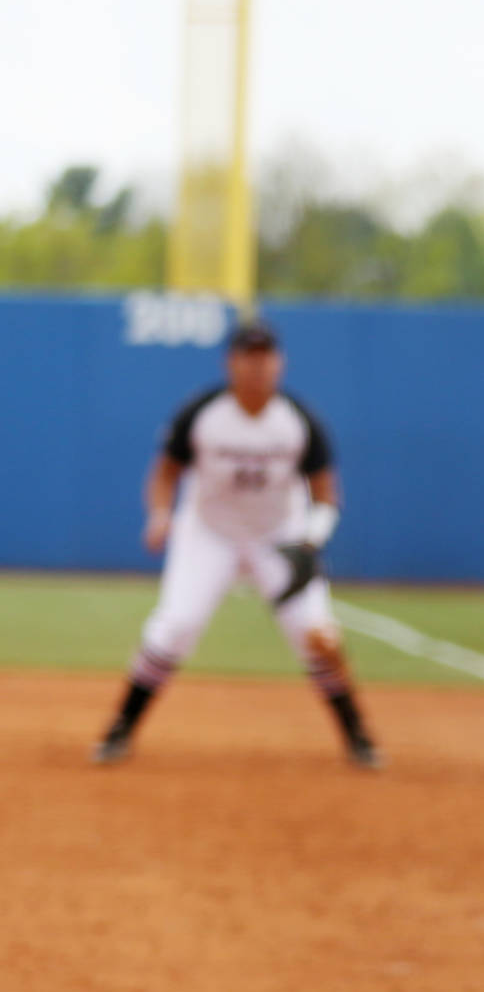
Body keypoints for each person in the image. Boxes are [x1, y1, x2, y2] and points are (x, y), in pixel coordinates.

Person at [93, 319, 380, 769]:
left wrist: (311, 541)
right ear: (230, 363)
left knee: (316, 634)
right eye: (248, 356)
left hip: (280, 536)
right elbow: (166, 473)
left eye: (265, 356)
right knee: (176, 625)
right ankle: (120, 728)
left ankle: (358, 735)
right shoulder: (203, 413)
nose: (256, 366)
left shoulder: (298, 420)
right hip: (209, 534)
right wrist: (160, 514)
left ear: (279, 363)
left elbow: (325, 494)